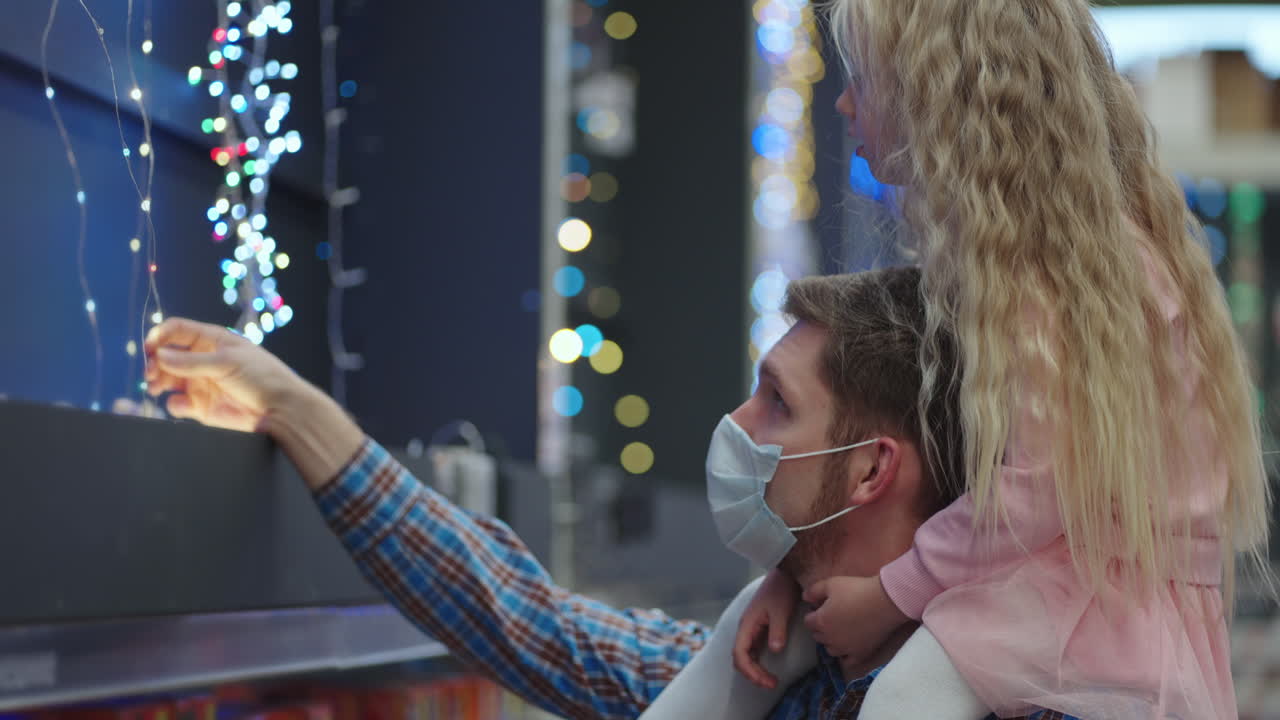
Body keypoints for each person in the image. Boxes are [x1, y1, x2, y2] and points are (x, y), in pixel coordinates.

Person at [144, 268, 1070, 718]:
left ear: (872, 469)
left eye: (777, 403)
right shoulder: (765, 668)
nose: (738, 423)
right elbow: (524, 617)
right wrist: (299, 414)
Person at [725, 1, 1270, 719]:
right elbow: (974, 475)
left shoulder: (1053, 279)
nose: (846, 102)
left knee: (905, 700)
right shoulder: (1027, 265)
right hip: (1060, 581)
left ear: (938, 93)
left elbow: (1031, 488)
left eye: (867, 79)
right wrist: (798, 576)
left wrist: (891, 593)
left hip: (1090, 601)